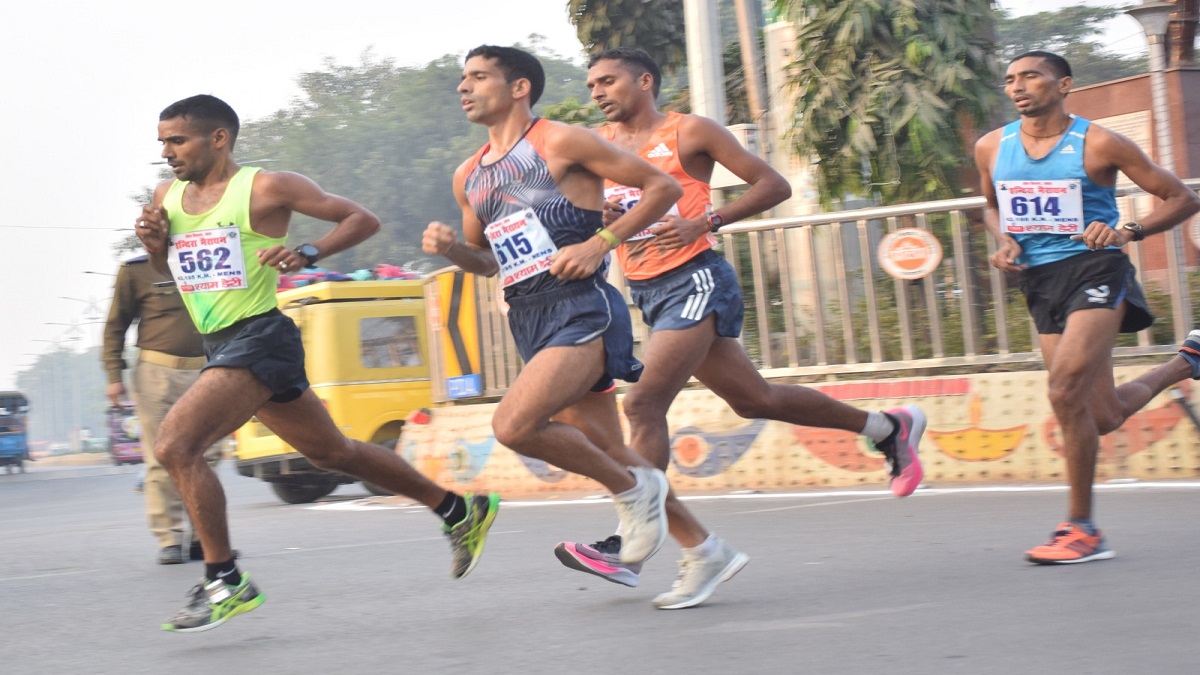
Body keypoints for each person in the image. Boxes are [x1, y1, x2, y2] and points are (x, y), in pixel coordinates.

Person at [554, 48, 927, 604]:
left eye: (608, 81)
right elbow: (600, 212)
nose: (598, 92)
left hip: (696, 277)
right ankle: (886, 428)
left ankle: (632, 543)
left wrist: (706, 220)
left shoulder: (690, 131)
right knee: (754, 399)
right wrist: (608, 220)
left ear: (645, 80)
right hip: (647, 289)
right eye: (592, 85)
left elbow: (773, 184)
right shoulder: (597, 147)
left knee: (642, 404)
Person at [135, 94, 500, 633]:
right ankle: (457, 510)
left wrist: (308, 253)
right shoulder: (167, 195)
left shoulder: (265, 187)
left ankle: (224, 579)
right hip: (221, 341)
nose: (167, 152)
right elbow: (168, 267)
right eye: (162, 142)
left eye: (177, 140)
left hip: (259, 337)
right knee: (333, 452)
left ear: (219, 138)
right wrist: (154, 245)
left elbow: (362, 218)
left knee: (174, 445)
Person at [421, 45, 679, 575]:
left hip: (581, 309)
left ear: (519, 88)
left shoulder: (559, 140)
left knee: (514, 425)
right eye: (462, 79)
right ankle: (701, 548)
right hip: (528, 317)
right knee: (600, 441)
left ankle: (635, 492)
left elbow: (662, 186)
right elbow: (487, 262)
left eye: (478, 77)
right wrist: (452, 251)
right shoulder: (468, 174)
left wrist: (599, 243)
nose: (463, 88)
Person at [974, 51, 1200, 564]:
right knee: (1100, 415)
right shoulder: (991, 146)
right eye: (1011, 79)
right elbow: (991, 206)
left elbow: (1182, 198)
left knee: (1063, 390)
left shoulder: (1099, 142)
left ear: (1065, 84)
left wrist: (1126, 231)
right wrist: (1004, 237)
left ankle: (1080, 528)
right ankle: (1187, 362)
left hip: (1096, 270)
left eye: (1031, 76)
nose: (1018, 87)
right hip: (1039, 280)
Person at [102, 252, 223, 565]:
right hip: (156, 372)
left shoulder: (211, 256)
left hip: (207, 369)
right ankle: (170, 538)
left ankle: (202, 539)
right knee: (161, 455)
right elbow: (116, 325)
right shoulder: (136, 270)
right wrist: (114, 376)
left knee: (207, 454)